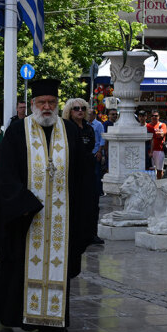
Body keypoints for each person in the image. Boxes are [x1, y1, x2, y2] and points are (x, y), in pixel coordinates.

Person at [0, 79, 88, 332]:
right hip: (25, 218)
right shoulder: (17, 130)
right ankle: (19, 316)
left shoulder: (70, 131)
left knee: (59, 264)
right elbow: (5, 174)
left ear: (57, 105)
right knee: (19, 266)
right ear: (32, 104)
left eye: (52, 102)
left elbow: (82, 176)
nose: (47, 107)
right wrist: (23, 204)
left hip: (61, 219)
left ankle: (53, 319)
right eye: (42, 102)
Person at [63, 99, 99, 247]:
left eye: (83, 108)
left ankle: (91, 234)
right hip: (73, 169)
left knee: (92, 202)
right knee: (76, 203)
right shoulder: (67, 128)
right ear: (70, 111)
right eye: (76, 108)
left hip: (89, 168)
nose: (80, 111)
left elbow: (91, 146)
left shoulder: (88, 128)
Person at [147, 110, 167, 179]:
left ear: (159, 117)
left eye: (156, 116)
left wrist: (152, 134)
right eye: (152, 116)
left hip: (160, 150)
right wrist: (157, 133)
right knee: (150, 170)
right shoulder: (147, 125)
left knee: (160, 170)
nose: (154, 117)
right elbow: (158, 134)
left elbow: (162, 134)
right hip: (149, 150)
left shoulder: (162, 125)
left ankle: (160, 184)